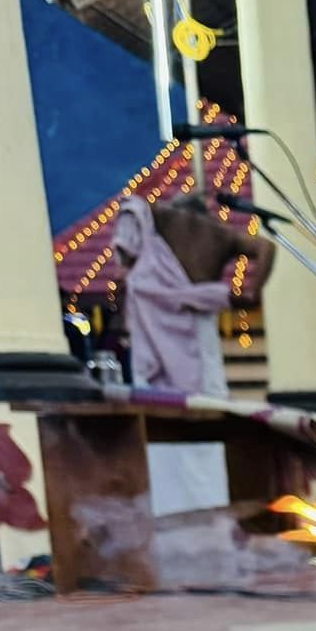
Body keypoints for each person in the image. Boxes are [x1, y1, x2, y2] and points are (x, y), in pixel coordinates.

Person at [110, 195, 273, 515]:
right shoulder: (221, 235)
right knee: (205, 423)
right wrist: (252, 293)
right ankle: (210, 513)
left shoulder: (153, 218)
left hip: (152, 341)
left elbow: (126, 245)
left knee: (160, 430)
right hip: (199, 337)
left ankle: (170, 516)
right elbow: (267, 247)